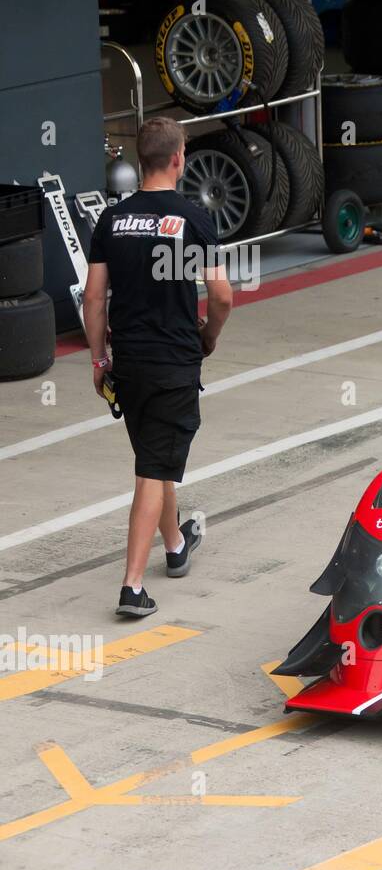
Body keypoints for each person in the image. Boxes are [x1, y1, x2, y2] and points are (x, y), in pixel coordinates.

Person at [84, 117, 233, 617]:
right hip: (172, 361)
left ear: (140, 159)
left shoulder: (112, 220)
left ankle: (175, 547)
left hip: (129, 362)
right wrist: (208, 336)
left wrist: (98, 358)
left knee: (153, 456)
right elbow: (222, 295)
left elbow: (93, 297)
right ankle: (131, 587)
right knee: (152, 469)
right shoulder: (192, 218)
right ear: (178, 159)